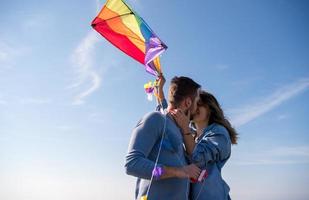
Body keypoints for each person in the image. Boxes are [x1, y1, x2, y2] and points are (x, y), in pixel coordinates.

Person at [157, 76, 238, 200]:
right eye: (195, 103)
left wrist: (185, 130)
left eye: (200, 104)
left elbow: (199, 158)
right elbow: (167, 115)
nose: (196, 107)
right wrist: (160, 91)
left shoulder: (219, 132)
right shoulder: (191, 133)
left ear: (210, 108)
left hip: (212, 196)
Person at [125, 76, 202, 200]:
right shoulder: (155, 119)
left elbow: (163, 106)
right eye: (197, 102)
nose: (198, 107)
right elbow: (132, 164)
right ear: (188, 102)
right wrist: (179, 171)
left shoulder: (179, 128)